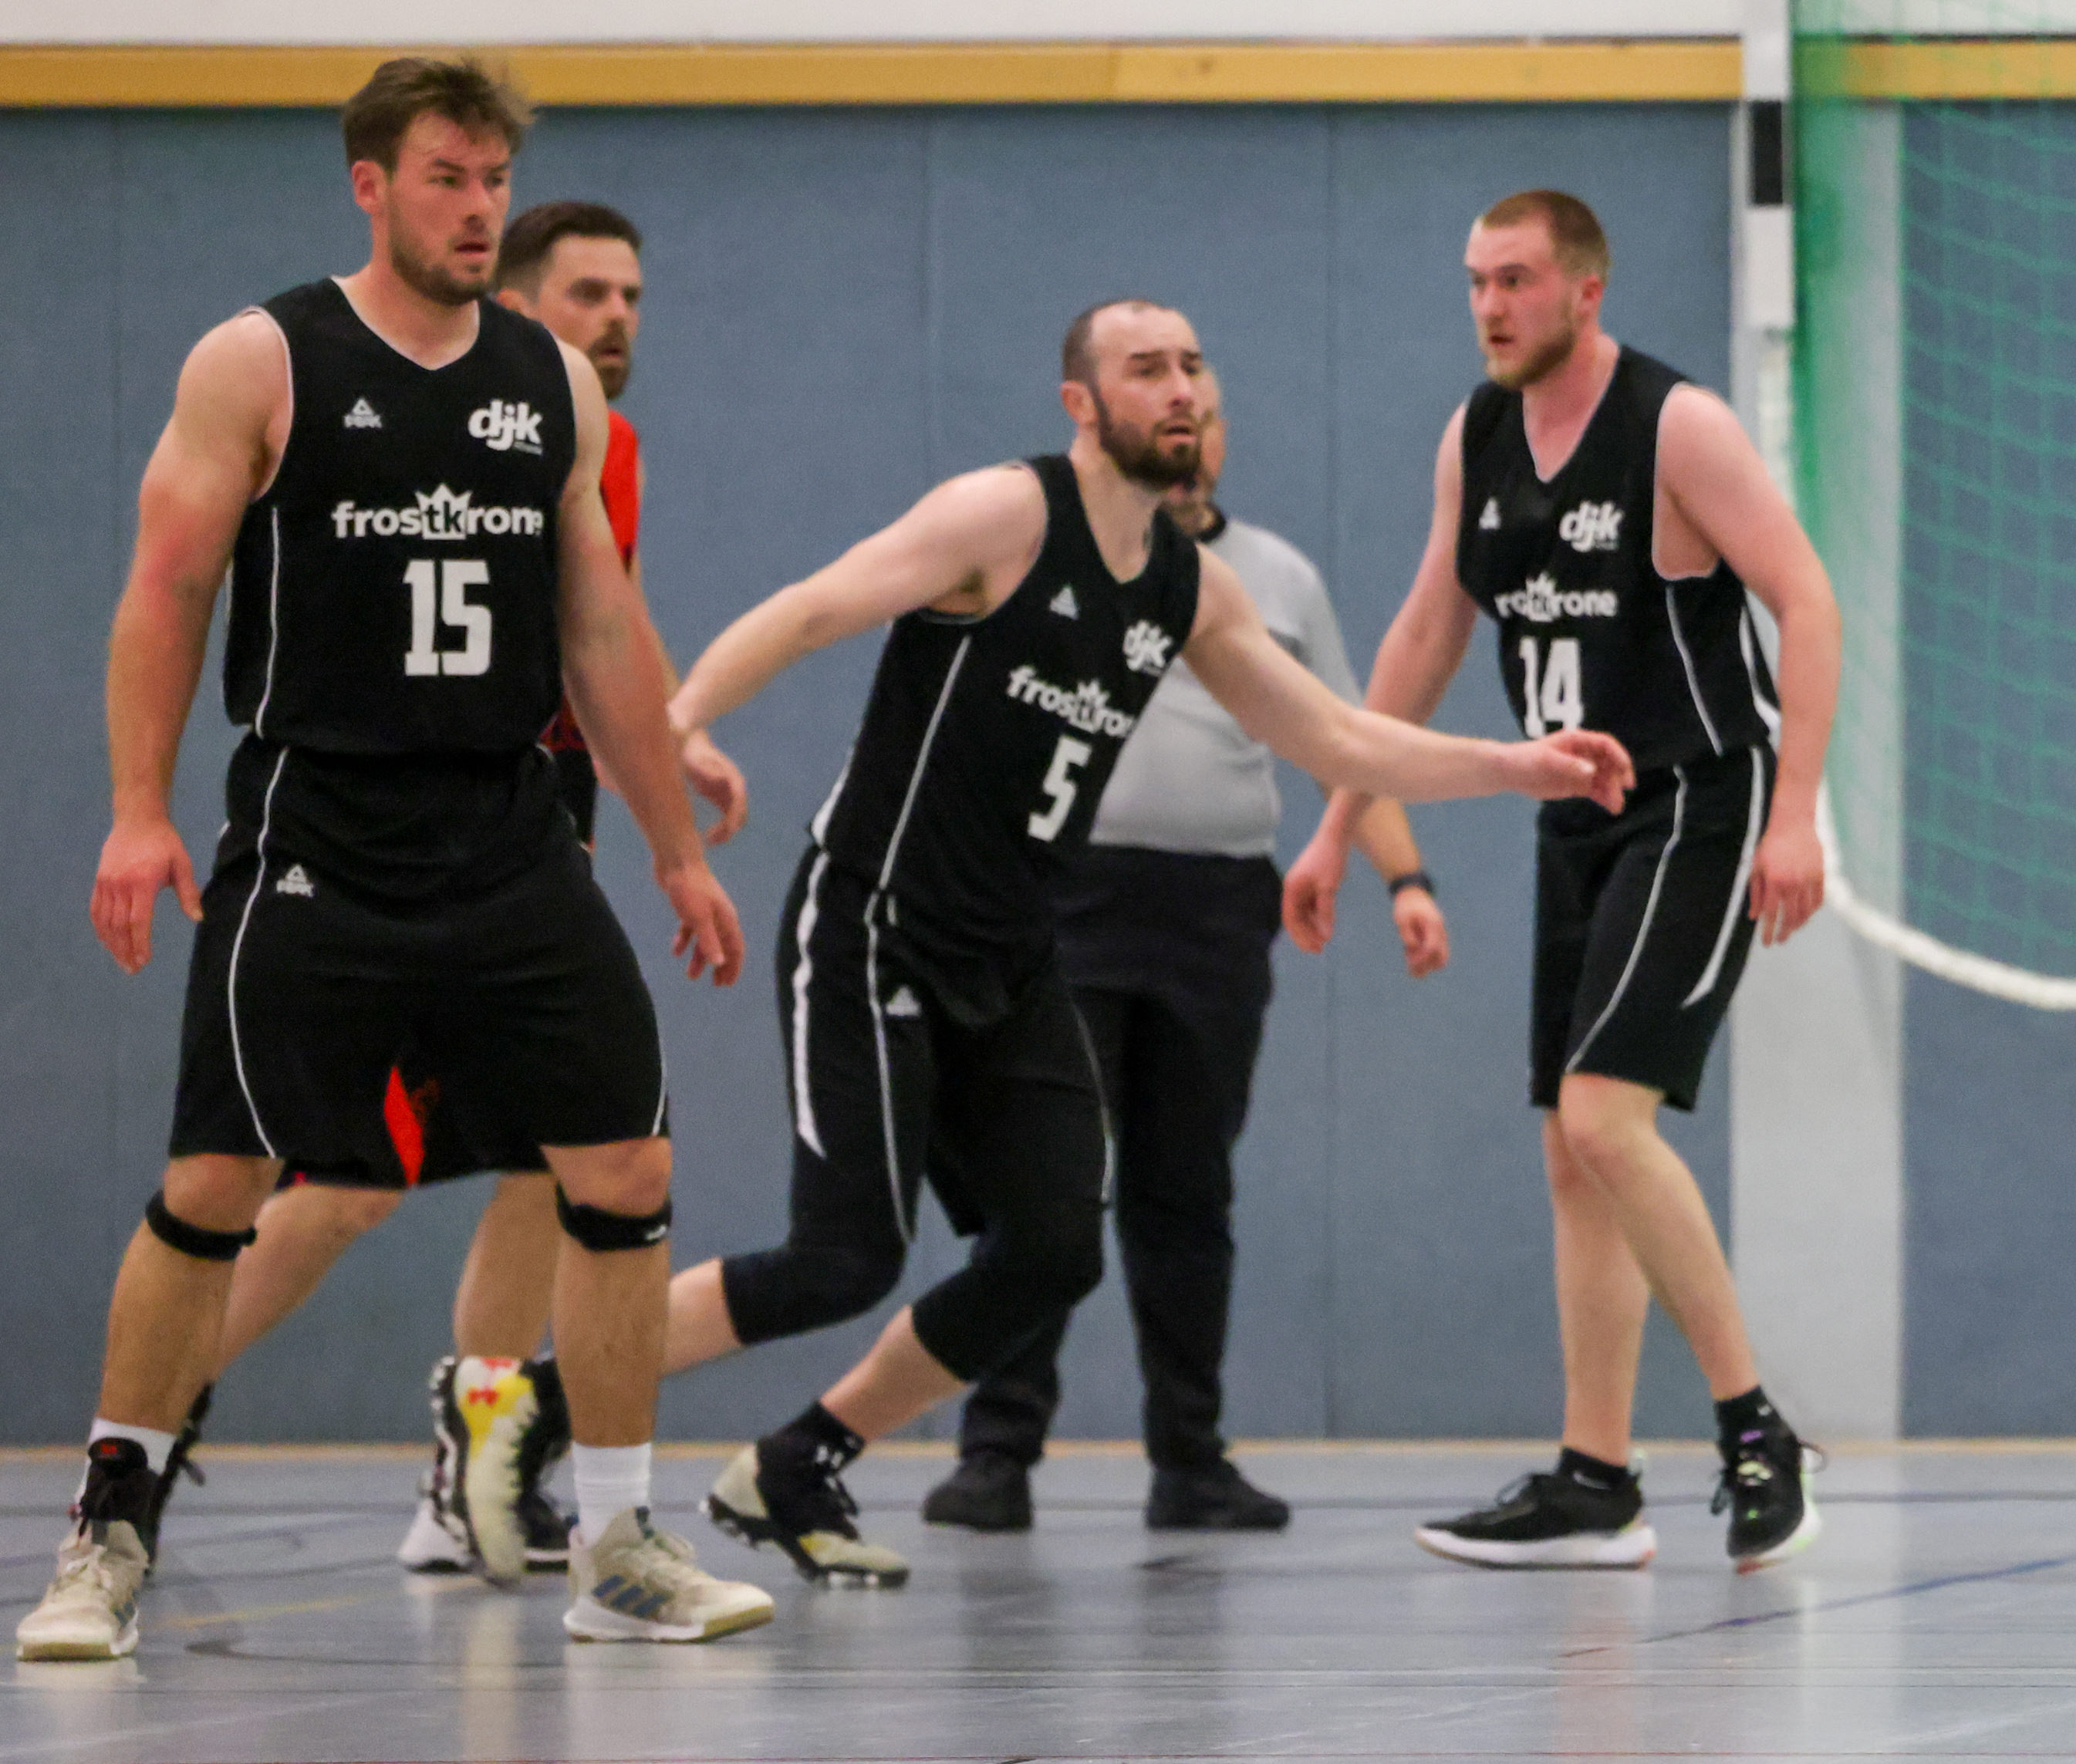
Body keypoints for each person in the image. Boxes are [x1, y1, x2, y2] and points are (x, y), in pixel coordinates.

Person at [647, 297, 1629, 1590]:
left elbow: (1335, 736)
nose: (1180, 389)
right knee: (842, 1259)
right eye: (1146, 368)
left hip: (1014, 954)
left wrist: (1513, 765)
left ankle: (798, 1460)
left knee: (1053, 1250)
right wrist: (685, 720)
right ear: (1081, 403)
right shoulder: (1002, 515)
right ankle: (532, 1396)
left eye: (1193, 367)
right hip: (878, 923)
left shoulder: (1190, 586)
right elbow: (810, 610)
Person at [19, 57, 768, 1661]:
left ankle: (619, 1543)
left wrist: (672, 848)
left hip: (508, 834)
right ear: (370, 184)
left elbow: (600, 631)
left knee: (623, 1168)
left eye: (495, 180)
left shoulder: (548, 381)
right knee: (220, 1183)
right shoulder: (263, 358)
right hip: (320, 831)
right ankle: (108, 1532)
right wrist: (139, 807)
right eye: (447, 177)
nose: (478, 207)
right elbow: (167, 587)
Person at [182, 198, 738, 1590]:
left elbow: (601, 621)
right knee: (345, 1183)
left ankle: (471, 1467)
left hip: (533, 830)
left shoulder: (595, 440)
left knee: (563, 1160)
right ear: (515, 307)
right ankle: (146, 1417)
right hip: (386, 838)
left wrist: (669, 741)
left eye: (632, 296)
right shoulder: (389, 409)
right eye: (590, 294)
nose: (618, 319)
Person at [1332, 191, 1841, 1574]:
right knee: (1571, 1148)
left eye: (1514, 279)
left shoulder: (1676, 427)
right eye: (1474, 280)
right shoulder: (1477, 434)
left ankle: (1754, 1428)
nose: (1489, 306)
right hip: (1575, 816)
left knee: (1608, 1120)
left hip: (1697, 800)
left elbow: (1805, 599)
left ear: (1584, 290)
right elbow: (1428, 625)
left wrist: (1797, 813)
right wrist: (1339, 820)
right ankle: (1595, 1479)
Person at [920, 401, 1445, 1536]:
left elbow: (1347, 740)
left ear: (1220, 445)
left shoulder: (1278, 578)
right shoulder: (1064, 561)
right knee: (1050, 1181)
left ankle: (1192, 1459)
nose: (1189, 441)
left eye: (1205, 421)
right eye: (1166, 417)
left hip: (1214, 917)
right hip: (1070, 903)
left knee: (1188, 1193)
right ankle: (996, 1452)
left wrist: (1406, 879)